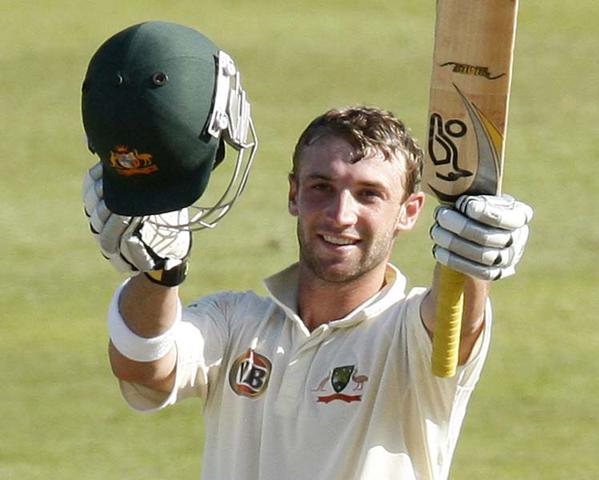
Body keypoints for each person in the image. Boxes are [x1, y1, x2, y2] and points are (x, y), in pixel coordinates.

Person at [82, 22, 532, 480]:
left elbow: (458, 328)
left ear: (409, 211)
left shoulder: (408, 333)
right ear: (294, 194)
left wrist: (473, 258)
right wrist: (160, 272)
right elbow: (142, 367)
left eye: (369, 194)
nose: (340, 214)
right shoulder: (236, 322)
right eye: (322, 187)